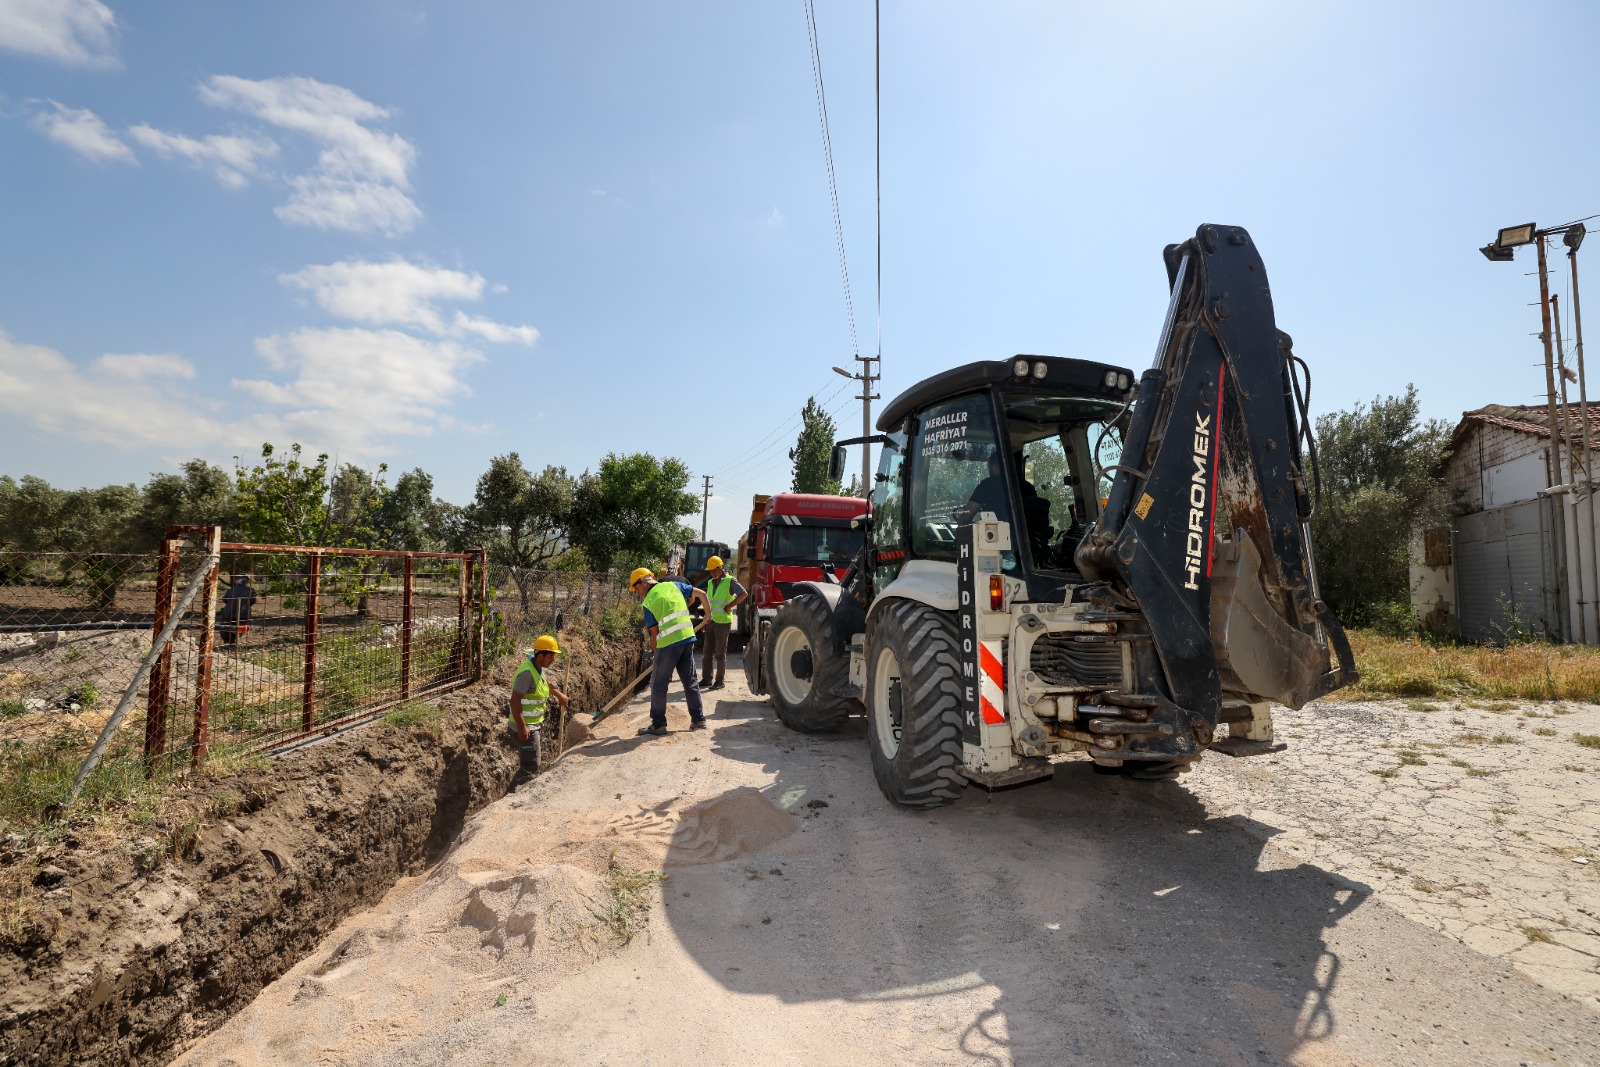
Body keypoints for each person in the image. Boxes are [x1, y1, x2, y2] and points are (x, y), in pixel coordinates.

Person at [628, 566, 711, 735]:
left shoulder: (648, 602)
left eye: (636, 588)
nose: (637, 593)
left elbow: (654, 634)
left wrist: (657, 656)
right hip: (687, 639)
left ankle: (658, 724)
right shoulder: (674, 586)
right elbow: (702, 594)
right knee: (690, 682)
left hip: (668, 645)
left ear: (644, 582)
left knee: (658, 685)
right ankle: (699, 720)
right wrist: (708, 616)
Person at [510, 634, 570, 779]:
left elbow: (545, 684)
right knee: (531, 766)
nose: (553, 660)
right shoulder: (526, 674)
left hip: (532, 726)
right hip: (526, 727)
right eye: (550, 657)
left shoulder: (537, 668)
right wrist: (522, 727)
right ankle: (515, 797)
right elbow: (515, 701)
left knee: (531, 765)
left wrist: (559, 695)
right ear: (540, 655)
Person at [698, 555, 747, 690]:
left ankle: (720, 681)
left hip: (723, 623)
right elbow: (708, 603)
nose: (712, 573)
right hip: (711, 621)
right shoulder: (710, 583)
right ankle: (707, 679)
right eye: (710, 571)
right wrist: (705, 620)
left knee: (720, 653)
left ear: (721, 568)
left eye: (714, 570)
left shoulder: (730, 581)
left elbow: (743, 594)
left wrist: (730, 606)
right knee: (707, 652)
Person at [219, 573, 257, 648]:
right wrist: (245, 606)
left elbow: (225, 600)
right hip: (244, 614)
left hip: (228, 613)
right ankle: (236, 637)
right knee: (242, 626)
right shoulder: (251, 591)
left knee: (228, 627)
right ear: (246, 581)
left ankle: (231, 640)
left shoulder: (230, 590)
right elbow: (253, 601)